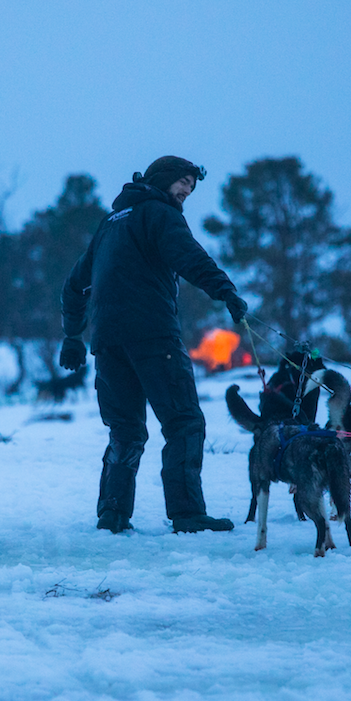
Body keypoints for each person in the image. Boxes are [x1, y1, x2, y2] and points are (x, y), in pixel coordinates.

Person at [60, 156, 249, 534]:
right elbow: (189, 256)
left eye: (191, 187)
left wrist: (72, 336)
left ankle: (112, 513)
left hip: (108, 343)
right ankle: (187, 513)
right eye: (183, 183)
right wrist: (224, 289)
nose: (186, 191)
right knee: (184, 422)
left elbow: (73, 286)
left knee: (125, 430)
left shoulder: (110, 224)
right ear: (163, 179)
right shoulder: (159, 214)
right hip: (153, 336)